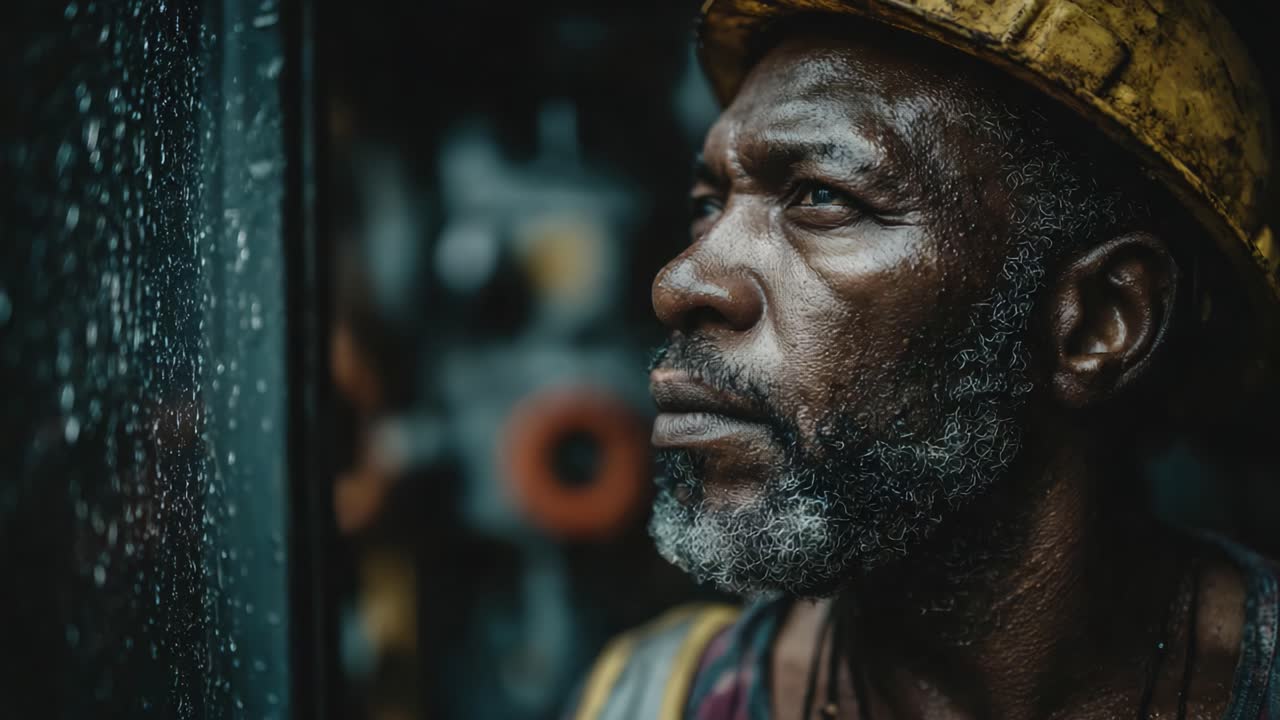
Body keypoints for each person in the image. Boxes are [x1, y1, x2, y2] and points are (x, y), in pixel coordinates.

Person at [568, 1, 1280, 718]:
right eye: (709, 201)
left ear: (1099, 321)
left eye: (821, 195)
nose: (679, 283)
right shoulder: (650, 696)